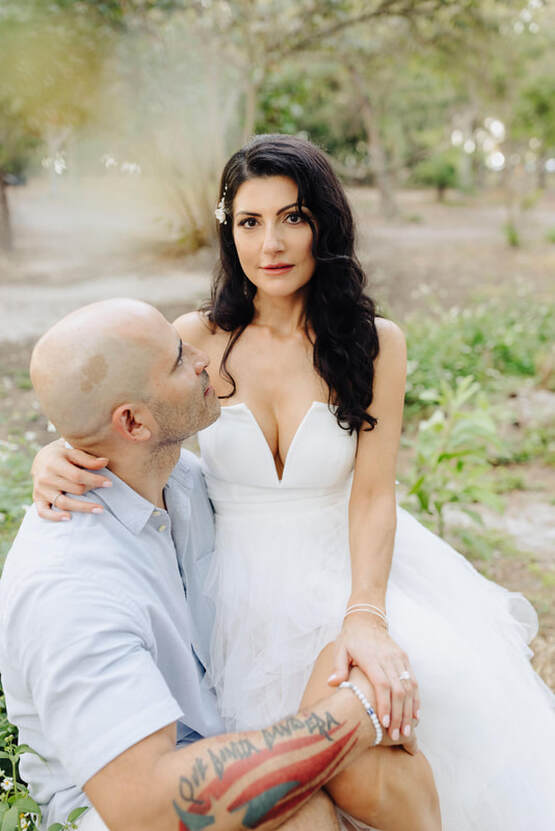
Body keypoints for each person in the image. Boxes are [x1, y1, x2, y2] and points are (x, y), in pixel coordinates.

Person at [32, 135, 555, 830]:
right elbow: (121, 409)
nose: (270, 243)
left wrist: (365, 615)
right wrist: (56, 452)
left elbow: (371, 494)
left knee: (382, 761)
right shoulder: (199, 337)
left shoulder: (376, 343)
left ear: (323, 225)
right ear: (229, 230)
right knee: (284, 783)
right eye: (249, 222)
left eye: (292, 217)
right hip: (231, 592)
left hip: (349, 571)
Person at [0, 298, 417, 831]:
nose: (204, 359)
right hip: (115, 808)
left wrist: (61, 446)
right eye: (178, 358)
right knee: (306, 809)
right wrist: (351, 718)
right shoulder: (70, 587)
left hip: (214, 735)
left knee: (362, 695)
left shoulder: (180, 482)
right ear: (133, 422)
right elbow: (142, 806)